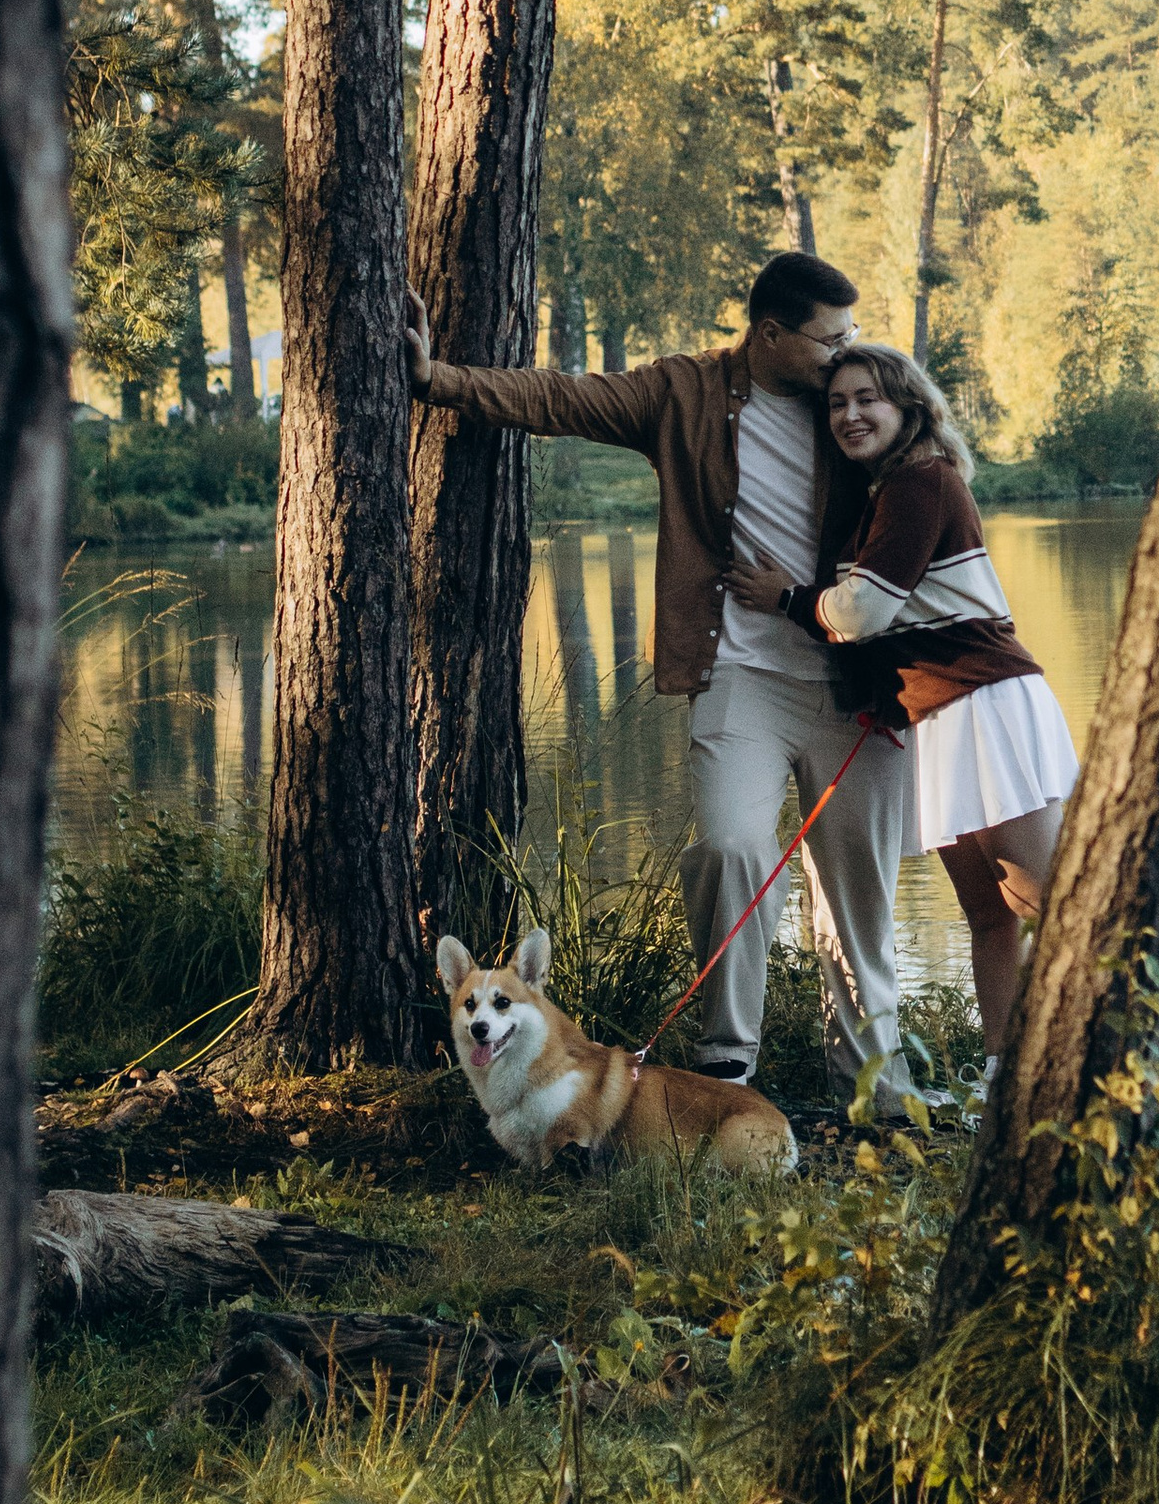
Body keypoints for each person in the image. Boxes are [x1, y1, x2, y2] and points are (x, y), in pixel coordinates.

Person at [404, 252, 913, 1114]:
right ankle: (727, 1066)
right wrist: (439, 379)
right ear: (771, 336)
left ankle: (873, 1087)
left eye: (851, 338)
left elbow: (936, 493)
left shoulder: (858, 400)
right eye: (830, 339)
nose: (844, 354)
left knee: (857, 891)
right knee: (730, 845)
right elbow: (563, 398)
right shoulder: (683, 393)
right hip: (740, 674)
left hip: (850, 683)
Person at [726, 340, 1078, 1090]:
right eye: (838, 403)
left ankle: (1134, 1067)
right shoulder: (880, 496)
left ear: (908, 407)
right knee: (989, 913)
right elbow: (891, 628)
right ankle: (1006, 1078)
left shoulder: (923, 482)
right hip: (939, 720)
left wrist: (786, 598)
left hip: (988, 705)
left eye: (867, 400)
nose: (850, 415)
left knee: (1056, 906)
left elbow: (861, 613)